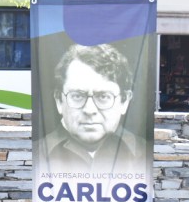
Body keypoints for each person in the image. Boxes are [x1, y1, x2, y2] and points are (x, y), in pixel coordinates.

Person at [43, 43, 143, 173]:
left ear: (124, 101)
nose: (89, 110)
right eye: (77, 96)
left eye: (103, 96)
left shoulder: (145, 154)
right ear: (59, 101)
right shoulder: (36, 155)